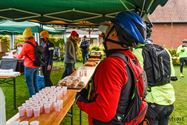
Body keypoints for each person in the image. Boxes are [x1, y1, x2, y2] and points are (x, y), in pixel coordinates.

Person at [76, 11, 147, 125]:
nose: (104, 33)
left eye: (108, 29)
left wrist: (80, 101)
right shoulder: (131, 60)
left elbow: (104, 112)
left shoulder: (112, 64)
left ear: (114, 34)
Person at [133, 22, 176, 125]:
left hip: (152, 101)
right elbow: (172, 75)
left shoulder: (138, 52)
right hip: (169, 100)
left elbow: (136, 79)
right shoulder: (164, 50)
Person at [15, 28, 39, 97]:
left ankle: (33, 99)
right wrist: (22, 45)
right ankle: (38, 97)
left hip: (29, 66)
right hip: (36, 65)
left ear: (26, 37)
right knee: (35, 82)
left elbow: (19, 56)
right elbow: (29, 47)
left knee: (30, 84)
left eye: (24, 38)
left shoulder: (26, 45)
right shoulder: (35, 42)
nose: (24, 39)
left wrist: (15, 55)